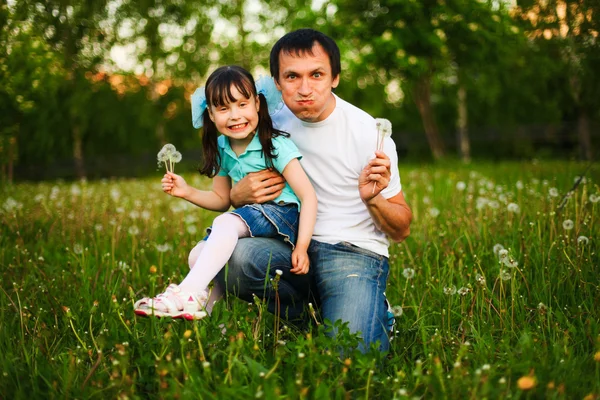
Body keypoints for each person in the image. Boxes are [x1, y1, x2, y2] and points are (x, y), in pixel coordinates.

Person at [198, 29, 413, 352]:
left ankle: (364, 306)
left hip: (352, 251)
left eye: (316, 74)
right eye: (292, 76)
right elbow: (229, 177)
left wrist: (374, 200)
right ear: (276, 82)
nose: (304, 89)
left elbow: (401, 229)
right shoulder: (265, 124)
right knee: (235, 260)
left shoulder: (370, 134)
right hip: (290, 243)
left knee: (353, 359)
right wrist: (238, 196)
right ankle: (305, 314)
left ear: (335, 77)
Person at [133, 65, 317, 320]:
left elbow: (308, 196)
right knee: (197, 255)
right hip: (251, 219)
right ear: (210, 113)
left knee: (226, 223)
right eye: (223, 108)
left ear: (257, 103)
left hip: (284, 218)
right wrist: (187, 192)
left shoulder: (274, 144)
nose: (234, 115)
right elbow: (222, 199)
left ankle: (187, 292)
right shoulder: (222, 146)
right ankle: (211, 320)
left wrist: (302, 247)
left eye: (242, 104)